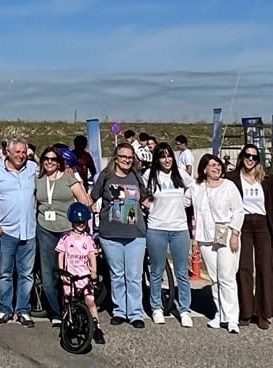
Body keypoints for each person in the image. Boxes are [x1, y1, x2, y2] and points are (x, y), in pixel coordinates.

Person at [89, 142, 149, 328]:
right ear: (116, 157)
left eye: (130, 157)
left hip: (135, 234)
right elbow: (92, 198)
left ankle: (135, 313)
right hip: (110, 234)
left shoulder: (136, 177)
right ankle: (119, 311)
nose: (127, 160)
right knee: (117, 275)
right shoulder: (106, 176)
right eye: (123, 156)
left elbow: (146, 200)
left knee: (134, 275)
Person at [35, 145, 92, 326]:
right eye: (46, 159)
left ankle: (74, 308)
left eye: (53, 159)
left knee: (72, 271)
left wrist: (83, 229)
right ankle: (56, 312)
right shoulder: (38, 180)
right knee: (48, 274)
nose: (49, 162)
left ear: (59, 162)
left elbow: (85, 202)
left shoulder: (69, 179)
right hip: (45, 229)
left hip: (67, 231)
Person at [227, 144, 273, 330]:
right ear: (242, 157)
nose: (250, 159)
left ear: (258, 160)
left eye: (254, 157)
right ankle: (246, 311)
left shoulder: (266, 179)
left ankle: (263, 313)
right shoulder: (232, 178)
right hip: (242, 224)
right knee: (244, 267)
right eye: (247, 155)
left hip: (262, 224)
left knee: (265, 267)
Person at [0, 139, 38, 327]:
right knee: (5, 273)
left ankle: (23, 310)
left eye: (24, 152)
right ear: (7, 152)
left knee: (26, 274)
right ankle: (5, 309)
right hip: (6, 230)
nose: (21, 156)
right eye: (17, 152)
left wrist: (69, 170)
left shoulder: (33, 169)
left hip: (29, 230)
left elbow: (52, 173)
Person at [192, 153, 244, 333]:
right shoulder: (196, 187)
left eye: (218, 165)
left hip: (226, 234)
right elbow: (182, 201)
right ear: (204, 169)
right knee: (214, 278)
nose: (217, 168)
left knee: (227, 277)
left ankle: (232, 318)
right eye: (212, 165)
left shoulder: (229, 186)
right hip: (205, 236)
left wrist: (235, 233)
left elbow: (239, 211)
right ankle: (220, 313)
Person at [144, 143, 195, 327]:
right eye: (162, 156)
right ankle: (156, 307)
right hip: (157, 228)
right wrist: (149, 206)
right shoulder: (149, 175)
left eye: (169, 156)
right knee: (157, 270)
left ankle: (185, 309)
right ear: (157, 159)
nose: (166, 160)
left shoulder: (181, 174)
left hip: (179, 228)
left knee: (182, 271)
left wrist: (186, 202)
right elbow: (141, 194)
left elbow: (194, 188)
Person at [57, 202, 106, 345]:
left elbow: (92, 255)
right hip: (70, 275)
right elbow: (61, 254)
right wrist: (62, 270)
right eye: (78, 222)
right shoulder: (66, 239)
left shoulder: (88, 239)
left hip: (84, 275)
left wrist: (94, 271)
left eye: (83, 222)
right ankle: (67, 322)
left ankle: (96, 327)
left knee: (90, 300)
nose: (81, 224)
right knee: (68, 300)